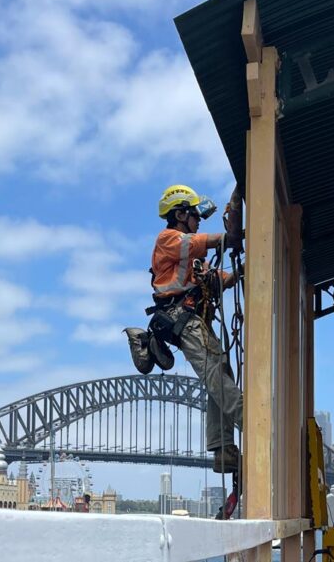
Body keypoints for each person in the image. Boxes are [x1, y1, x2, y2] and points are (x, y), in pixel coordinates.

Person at [151, 184, 243, 474]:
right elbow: (205, 241)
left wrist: (242, 270)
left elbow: (218, 278)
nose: (198, 220)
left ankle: (224, 448)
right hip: (183, 320)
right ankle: (255, 425)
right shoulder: (169, 239)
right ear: (180, 214)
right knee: (216, 375)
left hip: (194, 322)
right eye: (194, 215)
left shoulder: (192, 262)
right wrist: (230, 236)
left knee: (221, 371)